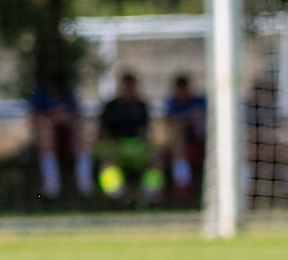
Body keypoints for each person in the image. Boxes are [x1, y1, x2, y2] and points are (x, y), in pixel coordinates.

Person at [94, 71, 159, 204]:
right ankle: (115, 193)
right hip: (115, 145)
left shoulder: (141, 106)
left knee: (156, 158)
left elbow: (147, 132)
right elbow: (102, 131)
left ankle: (149, 193)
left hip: (137, 145)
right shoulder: (111, 107)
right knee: (105, 159)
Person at [28, 78, 89, 199]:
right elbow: (35, 119)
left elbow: (77, 118)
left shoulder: (69, 95)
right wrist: (54, 119)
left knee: (81, 135)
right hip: (48, 141)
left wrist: (63, 118)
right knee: (46, 134)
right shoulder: (39, 95)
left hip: (68, 139)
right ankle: (51, 187)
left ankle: (85, 185)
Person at [162, 73, 208, 205]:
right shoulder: (172, 104)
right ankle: (182, 184)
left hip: (201, 141)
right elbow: (169, 122)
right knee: (178, 136)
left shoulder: (199, 102)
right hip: (182, 146)